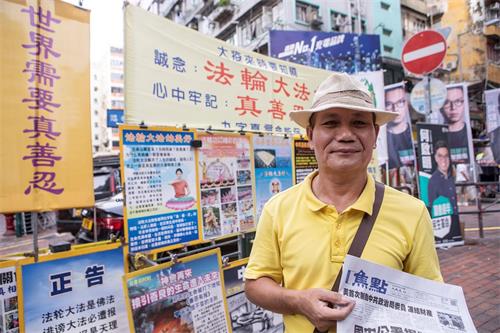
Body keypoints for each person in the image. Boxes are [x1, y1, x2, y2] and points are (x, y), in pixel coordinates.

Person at [244, 72, 442, 333]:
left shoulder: (412, 212)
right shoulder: (278, 209)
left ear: (375, 134)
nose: (346, 135)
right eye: (331, 123)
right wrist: (299, 302)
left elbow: (430, 300)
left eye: (359, 123)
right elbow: (256, 283)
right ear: (310, 134)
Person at [385, 85, 414, 169]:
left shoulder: (416, 135)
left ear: (406, 105)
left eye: (400, 102)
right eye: (389, 104)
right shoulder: (379, 139)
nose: (395, 109)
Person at [427, 142, 459, 217]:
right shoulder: (433, 181)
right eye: (440, 156)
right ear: (435, 158)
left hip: (455, 218)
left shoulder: (451, 176)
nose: (444, 160)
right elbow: (432, 207)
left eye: (446, 156)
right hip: (443, 222)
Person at [441, 86, 469, 163]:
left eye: (458, 101)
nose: (453, 107)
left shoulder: (470, 134)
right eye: (446, 102)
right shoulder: (437, 136)